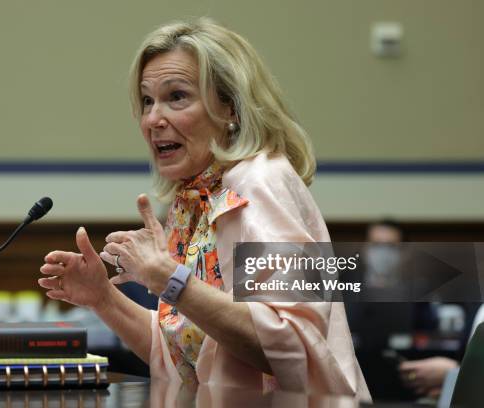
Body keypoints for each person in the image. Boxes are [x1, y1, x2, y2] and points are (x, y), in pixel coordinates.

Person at [37, 18, 370, 400]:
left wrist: (172, 280)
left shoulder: (262, 182)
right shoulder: (195, 198)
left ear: (230, 107)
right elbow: (185, 358)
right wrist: (102, 297)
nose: (152, 119)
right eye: (147, 100)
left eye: (176, 96)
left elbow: (293, 346)